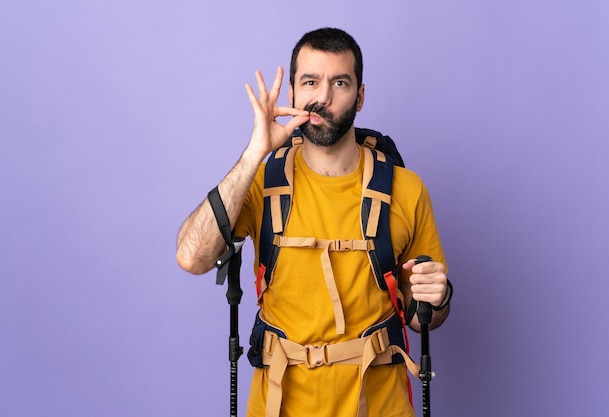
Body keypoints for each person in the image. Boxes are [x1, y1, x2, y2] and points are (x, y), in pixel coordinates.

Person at [176, 27, 451, 417]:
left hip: (380, 406)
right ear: (292, 94)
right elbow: (192, 257)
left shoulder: (406, 190)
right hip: (279, 406)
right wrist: (255, 153)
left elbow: (424, 319)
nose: (323, 97)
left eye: (340, 82)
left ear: (360, 96)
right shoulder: (258, 183)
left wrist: (437, 299)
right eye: (310, 81)